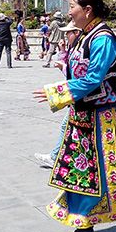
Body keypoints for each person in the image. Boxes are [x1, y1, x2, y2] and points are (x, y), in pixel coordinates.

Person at [33, 0, 116, 232]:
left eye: (72, 6)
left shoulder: (103, 39)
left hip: (108, 119)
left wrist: (58, 92)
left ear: (88, 10)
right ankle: (84, 230)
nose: (69, 12)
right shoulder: (84, 36)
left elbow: (93, 78)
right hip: (83, 115)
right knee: (81, 172)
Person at [33, 21, 82, 168]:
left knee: (67, 126)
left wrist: (58, 93)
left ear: (76, 33)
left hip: (81, 96)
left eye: (69, 33)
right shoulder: (76, 48)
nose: (66, 36)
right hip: (78, 95)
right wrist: (62, 52)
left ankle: (55, 157)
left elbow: (80, 76)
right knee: (69, 127)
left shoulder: (83, 47)